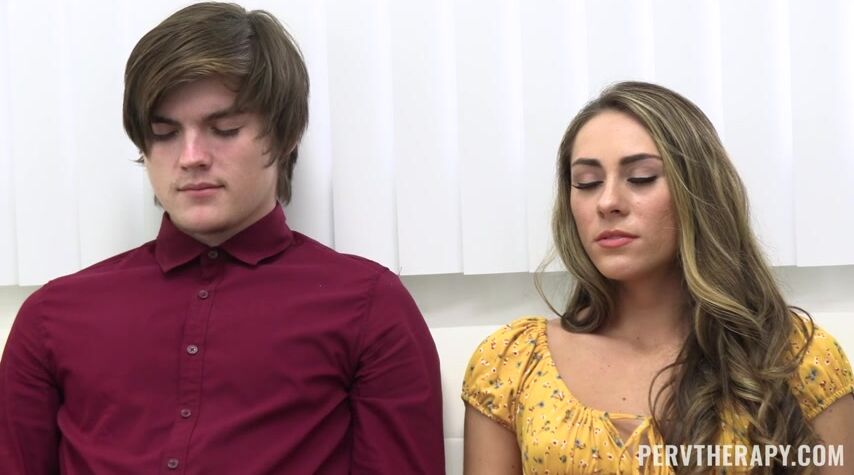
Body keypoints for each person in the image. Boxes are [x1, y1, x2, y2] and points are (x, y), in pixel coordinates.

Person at [0, 3, 444, 473]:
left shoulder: (368, 307)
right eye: (164, 133)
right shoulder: (52, 318)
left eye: (224, 129)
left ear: (286, 133)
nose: (191, 156)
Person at [462, 81, 853, 474]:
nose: (608, 202)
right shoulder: (512, 365)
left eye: (642, 177)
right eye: (587, 183)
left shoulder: (798, 359)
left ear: (699, 192)